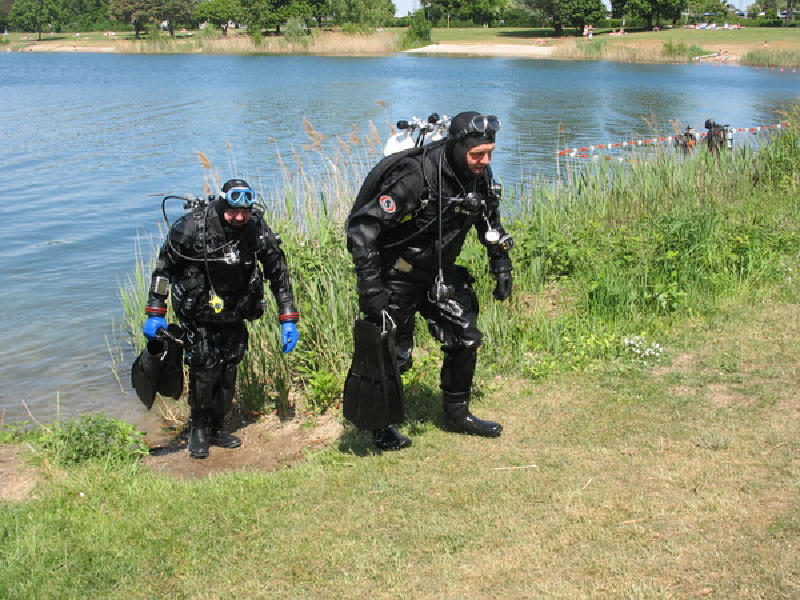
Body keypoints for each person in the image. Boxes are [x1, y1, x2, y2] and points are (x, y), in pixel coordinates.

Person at [346, 111, 514, 451]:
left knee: (465, 338)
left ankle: (457, 414)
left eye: (490, 153)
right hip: (398, 274)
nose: (485, 161)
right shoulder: (416, 176)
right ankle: (380, 427)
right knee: (393, 353)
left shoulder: (478, 175)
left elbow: (489, 220)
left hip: (438, 273)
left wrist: (501, 263)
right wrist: (370, 287)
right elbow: (362, 229)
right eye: (477, 154)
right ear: (458, 147)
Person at [143, 179, 300, 459]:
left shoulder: (256, 228)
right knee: (205, 368)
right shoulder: (191, 227)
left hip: (235, 311)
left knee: (228, 369)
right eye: (233, 211)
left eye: (245, 212)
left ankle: (217, 427)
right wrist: (156, 311)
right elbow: (163, 269)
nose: (239, 217)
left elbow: (279, 272)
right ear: (221, 204)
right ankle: (198, 428)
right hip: (198, 311)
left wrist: (287, 317)